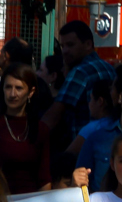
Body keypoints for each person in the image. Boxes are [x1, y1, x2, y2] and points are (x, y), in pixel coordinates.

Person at [43, 21, 115, 151]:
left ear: (88, 44)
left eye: (70, 45)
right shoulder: (109, 68)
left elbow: (53, 117)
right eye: (62, 46)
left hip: (83, 148)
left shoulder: (80, 72)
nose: (65, 51)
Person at [0, 63, 48, 193]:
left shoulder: (40, 129)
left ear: (30, 92)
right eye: (8, 87)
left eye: (19, 88)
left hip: (30, 201)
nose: (12, 94)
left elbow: (44, 179)